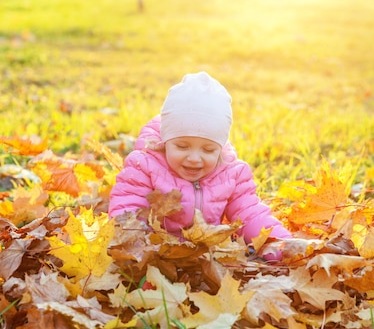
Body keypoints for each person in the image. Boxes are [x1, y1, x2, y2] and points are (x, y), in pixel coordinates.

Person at [108, 71, 291, 259]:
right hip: (158, 256)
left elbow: (251, 215)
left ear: (220, 148)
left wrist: (280, 246)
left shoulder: (231, 173)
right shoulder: (144, 165)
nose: (194, 158)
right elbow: (127, 210)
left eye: (208, 149)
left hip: (204, 258)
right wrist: (136, 251)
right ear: (165, 141)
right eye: (182, 146)